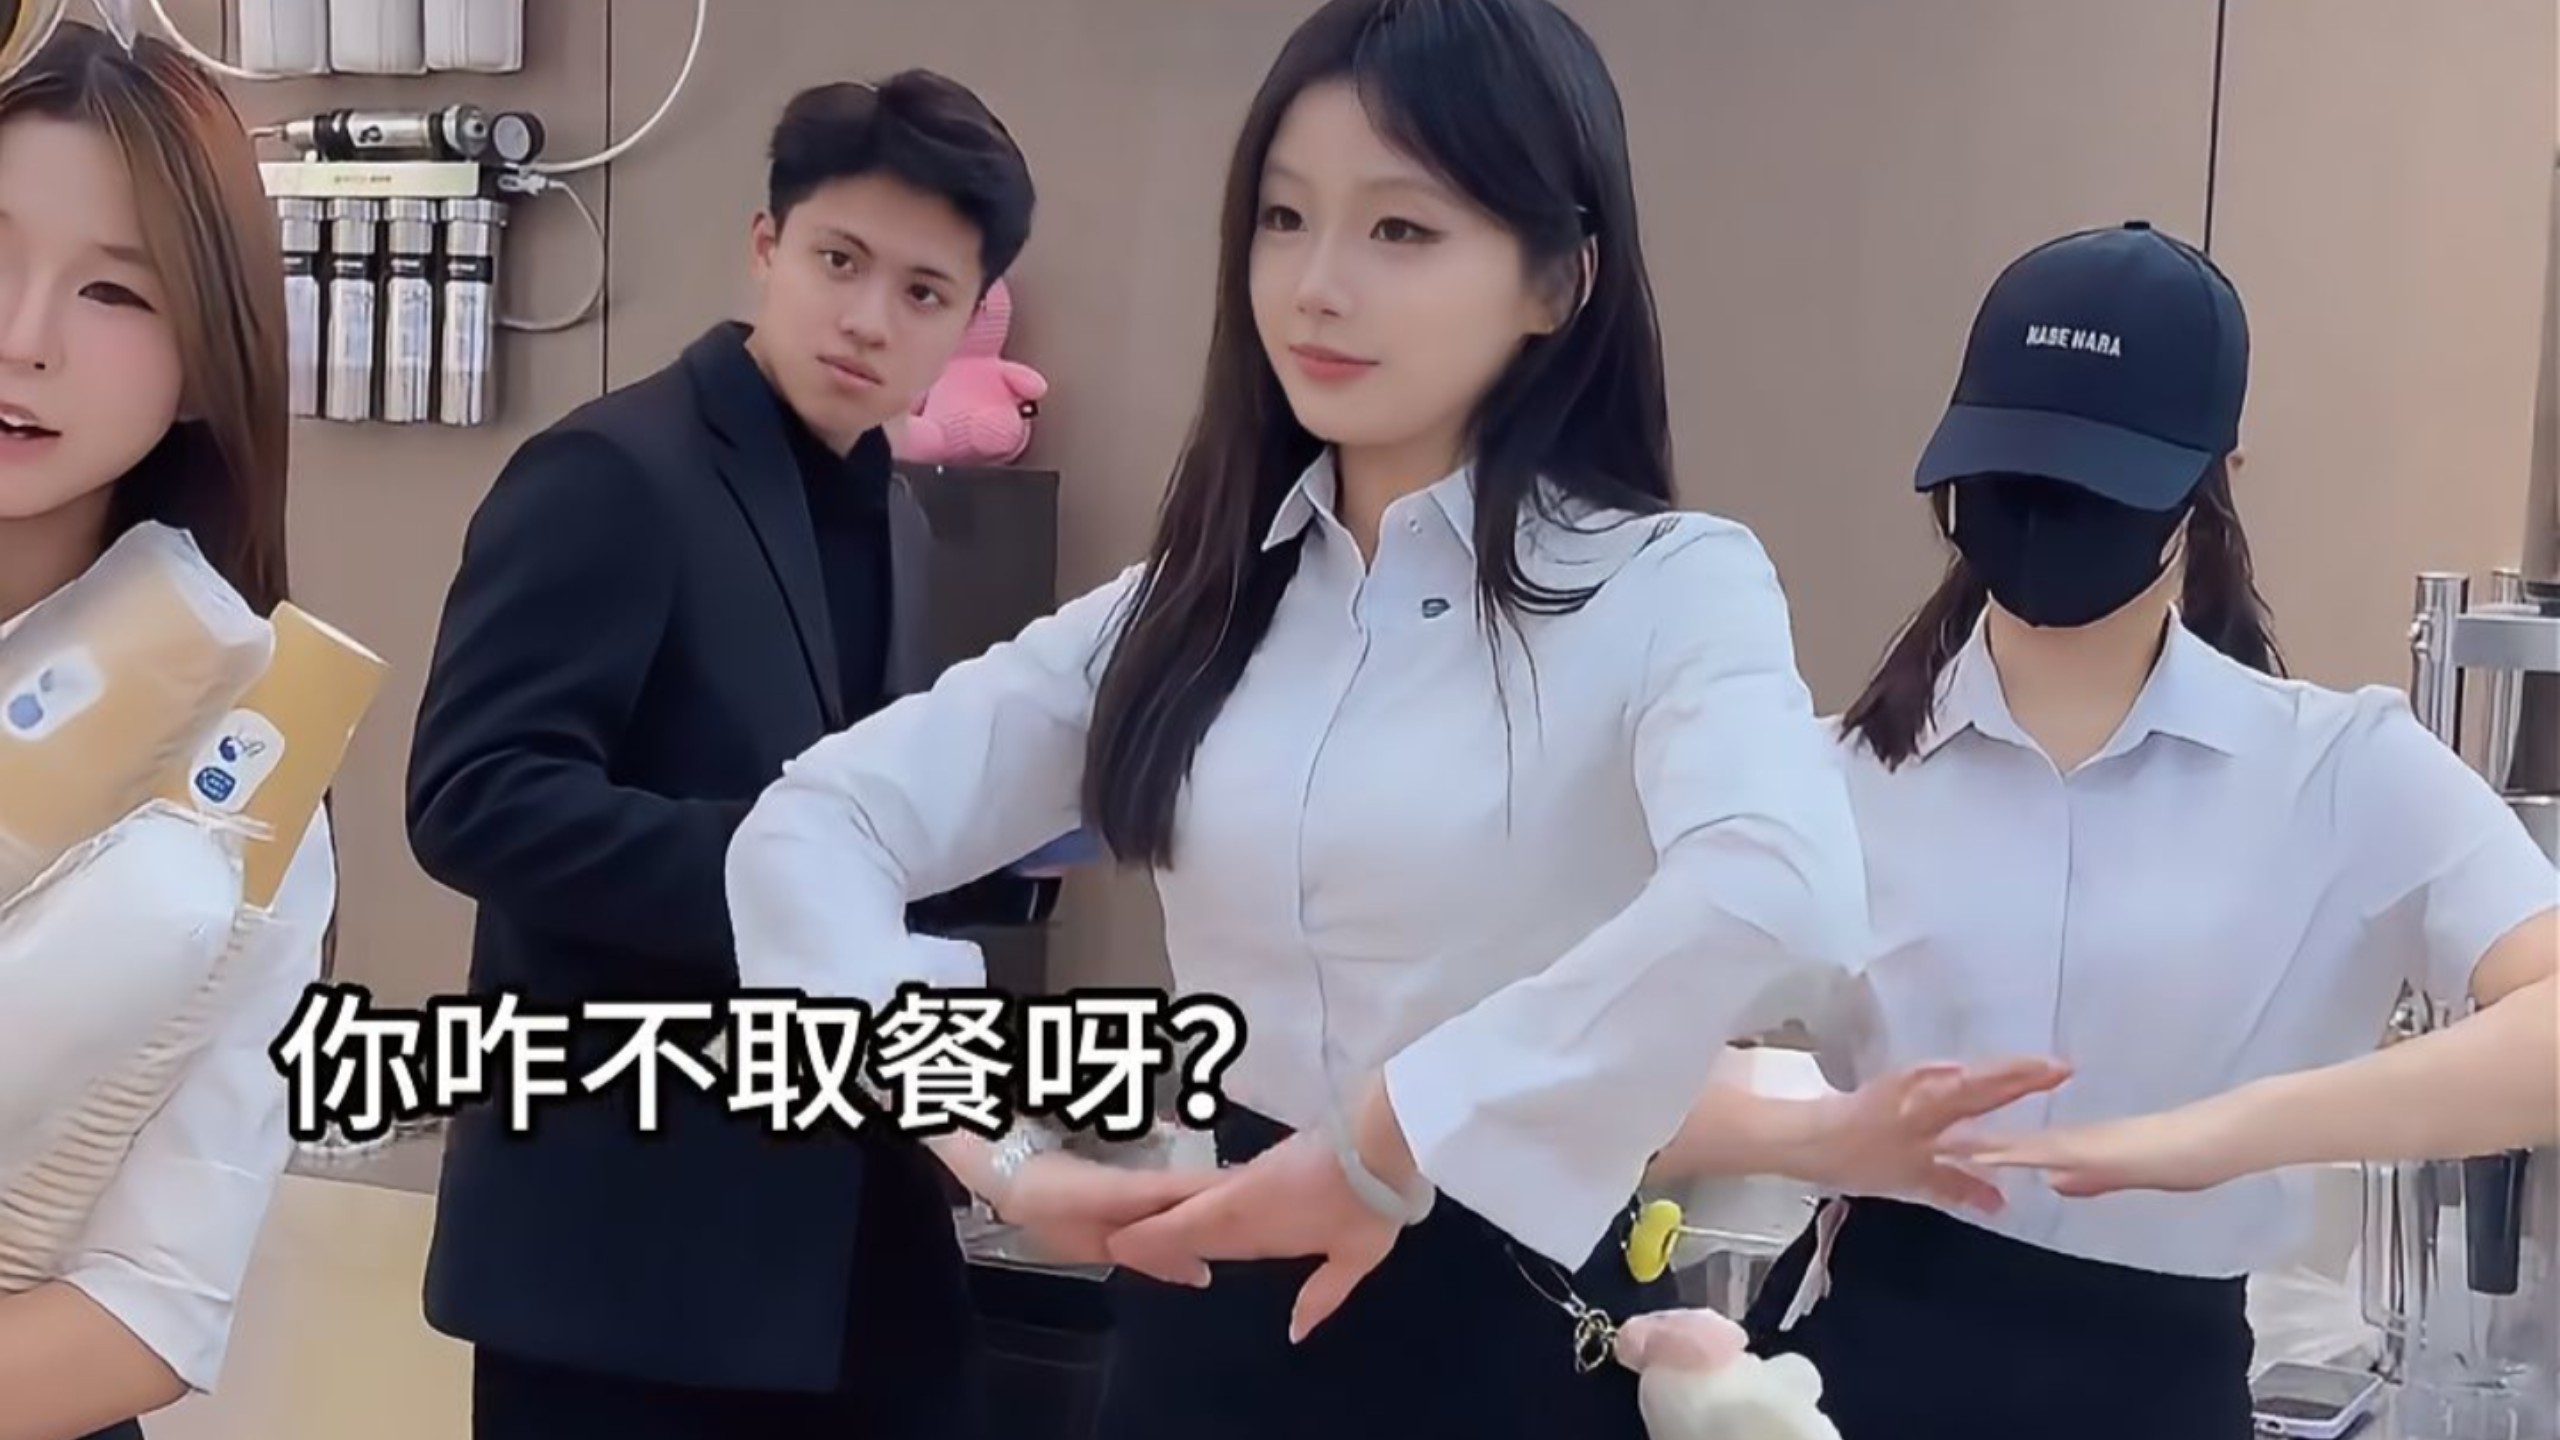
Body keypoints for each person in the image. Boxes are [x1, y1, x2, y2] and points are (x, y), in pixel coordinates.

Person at [723, 1, 1871, 1435]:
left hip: (1502, 1335)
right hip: (1202, 1327)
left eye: (1400, 229)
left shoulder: (1667, 585)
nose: (1317, 286)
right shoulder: (1189, 605)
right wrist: (991, 1154)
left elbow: (1784, 893)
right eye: (1282, 218)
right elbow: (811, 825)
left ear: (1557, 280)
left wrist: (1395, 1130)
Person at [1650, 221, 2560, 1440]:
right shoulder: (1826, 775)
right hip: (1855, 1372)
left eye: (2094, 479)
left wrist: (2231, 1132)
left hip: (2156, 1390)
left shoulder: (2343, 772)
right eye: (2014, 468)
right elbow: (1585, 1068)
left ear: (2212, 477)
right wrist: (1819, 1136)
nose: (2046, 513)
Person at [404, 73, 1129, 1440]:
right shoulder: (611, 473)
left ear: (968, 318)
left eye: (923, 291)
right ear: (765, 245)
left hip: (851, 1223)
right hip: (627, 1255)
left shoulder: (898, 516)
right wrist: (794, 870)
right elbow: (474, 798)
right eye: (839, 261)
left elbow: (867, 819)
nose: (869, 318)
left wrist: (1023, 854)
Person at [0, 23, 336, 1440]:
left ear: (204, 361)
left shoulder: (244, 767)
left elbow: (150, 1306)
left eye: (113, 292)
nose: (24, 336)